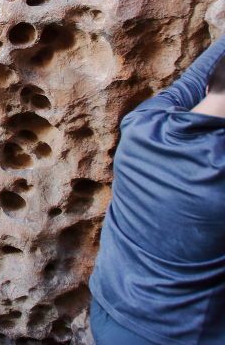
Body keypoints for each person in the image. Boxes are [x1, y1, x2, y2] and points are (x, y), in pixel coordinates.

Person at [89, 34, 225, 344]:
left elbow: (191, 78)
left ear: (208, 87)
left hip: (108, 311)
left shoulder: (143, 124)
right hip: (174, 335)